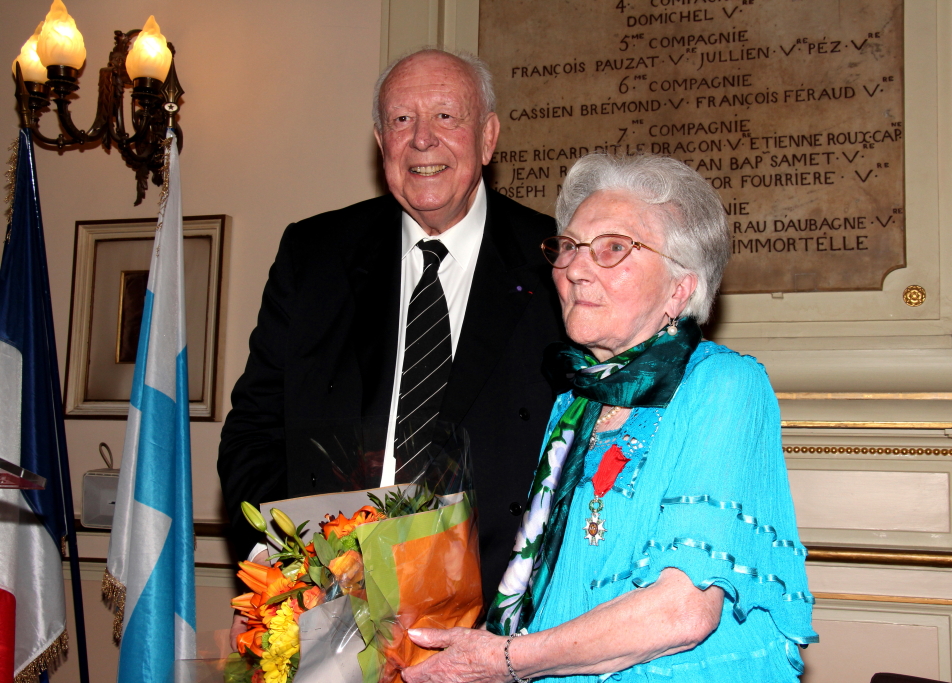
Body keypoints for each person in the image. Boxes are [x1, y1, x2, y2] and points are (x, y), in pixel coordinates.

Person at [401, 153, 817, 683]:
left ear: (680, 287)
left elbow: (682, 611)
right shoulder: (575, 403)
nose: (575, 267)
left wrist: (505, 662)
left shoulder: (723, 386)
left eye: (614, 249)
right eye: (570, 246)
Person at [217, 49, 565, 607]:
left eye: (447, 117)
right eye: (402, 119)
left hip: (506, 621)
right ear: (381, 141)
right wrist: (290, 565)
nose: (422, 139)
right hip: (332, 609)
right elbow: (254, 435)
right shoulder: (313, 258)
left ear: (488, 137)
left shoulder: (558, 262)